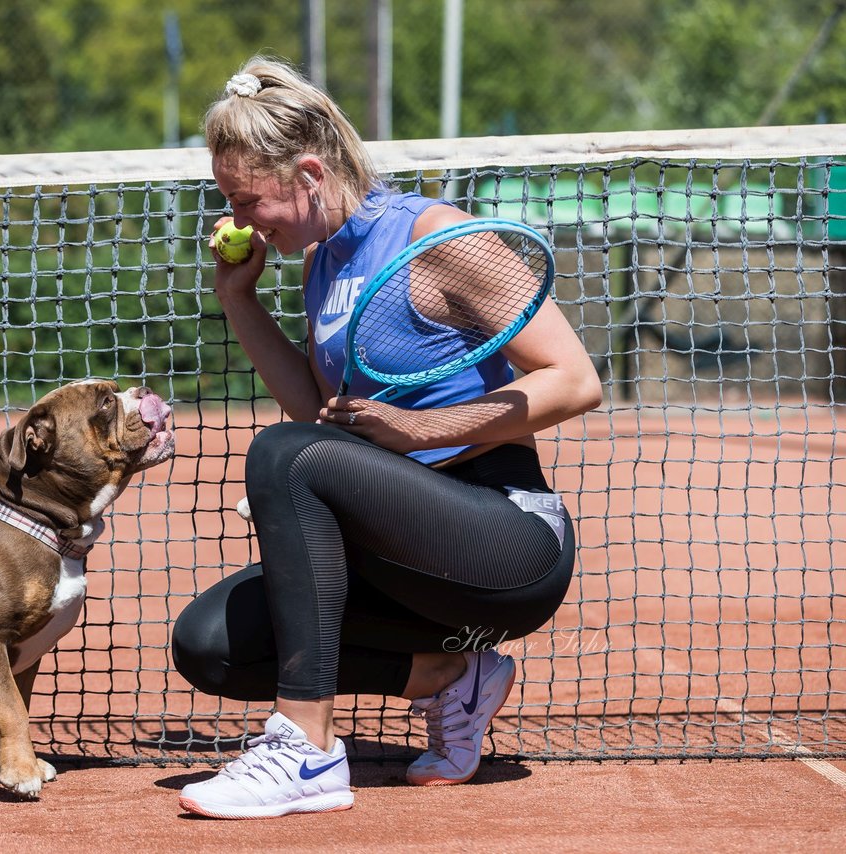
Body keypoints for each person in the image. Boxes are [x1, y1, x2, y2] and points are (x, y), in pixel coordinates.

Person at [171, 56, 603, 820]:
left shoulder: (438, 236)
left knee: (280, 454)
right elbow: (317, 415)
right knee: (209, 643)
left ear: (308, 172)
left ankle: (305, 753)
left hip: (505, 540)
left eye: (248, 198)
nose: (240, 220)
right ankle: (449, 677)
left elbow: (574, 379)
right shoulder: (321, 262)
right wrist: (238, 299)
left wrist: (421, 430)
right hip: (406, 559)